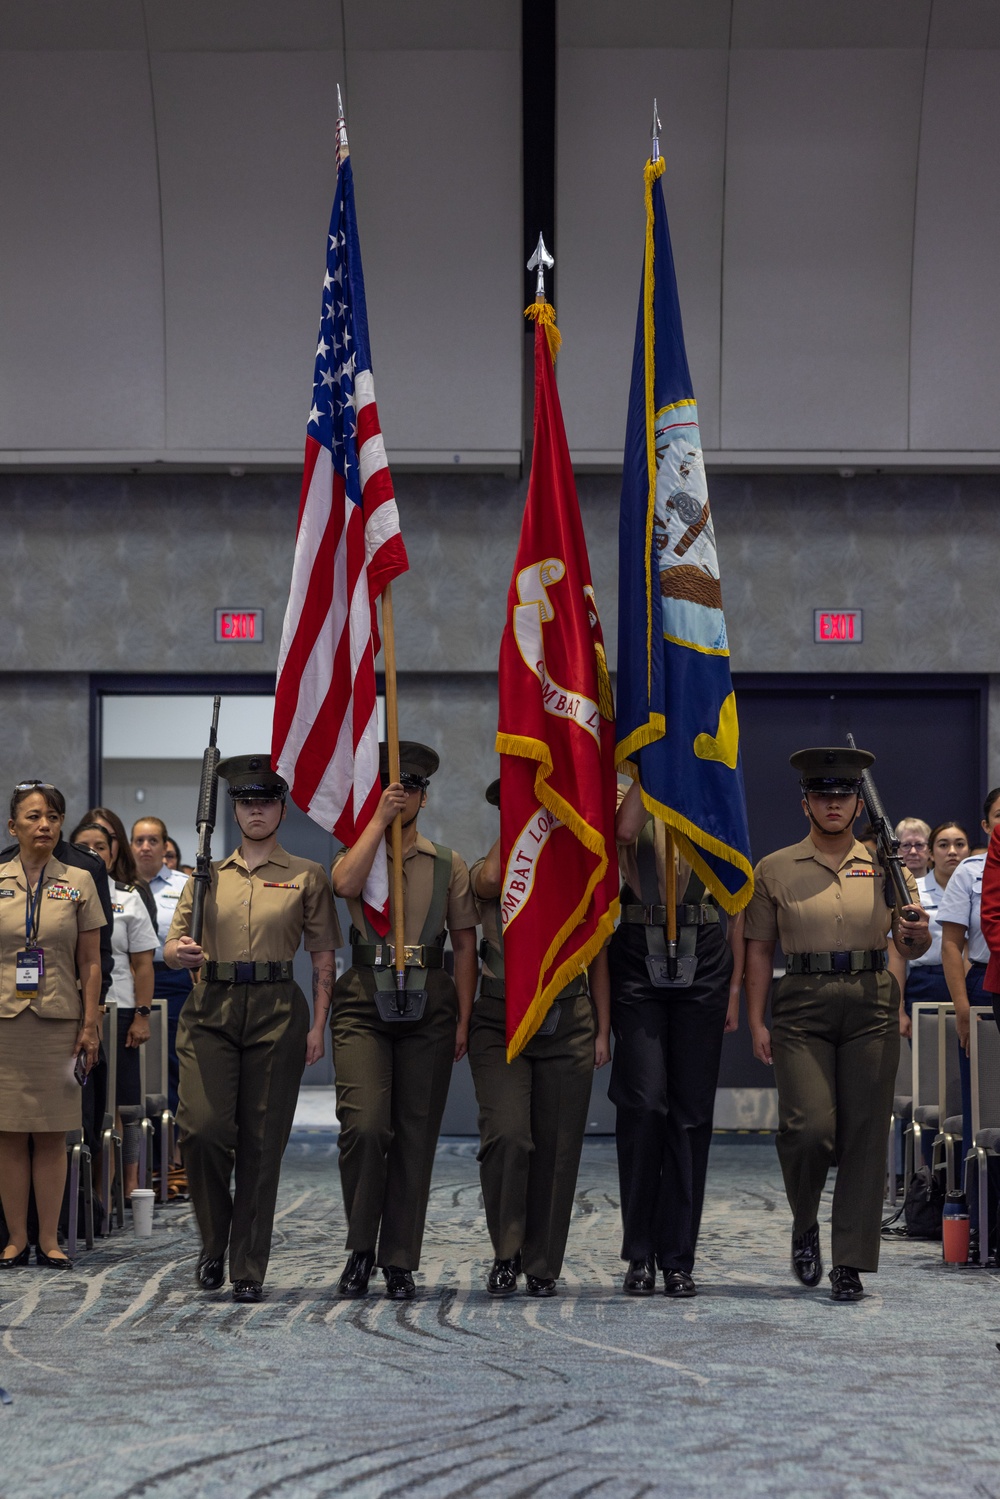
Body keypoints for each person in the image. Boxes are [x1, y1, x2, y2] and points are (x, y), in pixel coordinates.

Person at [744, 748, 929, 1303]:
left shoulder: (887, 863)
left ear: (856, 805)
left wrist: (914, 936)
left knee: (865, 1134)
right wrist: (755, 1018)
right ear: (805, 803)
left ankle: (849, 1260)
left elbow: (909, 942)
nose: (833, 804)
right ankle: (805, 1221)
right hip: (801, 1000)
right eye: (822, 795)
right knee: (808, 1130)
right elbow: (757, 951)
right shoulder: (775, 867)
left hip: (872, 999)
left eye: (843, 796)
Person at [164, 755, 340, 1303]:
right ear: (234, 811)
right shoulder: (205, 874)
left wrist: (319, 1026)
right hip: (211, 1005)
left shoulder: (306, 874)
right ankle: (214, 1242)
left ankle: (247, 1267)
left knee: (263, 1145)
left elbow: (324, 957)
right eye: (245, 801)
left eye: (265, 800)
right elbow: (172, 947)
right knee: (203, 1130)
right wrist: (180, 952)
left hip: (276, 1007)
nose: (255, 809)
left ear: (281, 808)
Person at [331, 741, 478, 1301]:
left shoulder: (448, 863)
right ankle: (360, 1246)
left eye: (412, 788)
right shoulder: (359, 851)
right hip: (365, 997)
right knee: (366, 1127)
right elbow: (344, 884)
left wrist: (464, 1016)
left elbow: (465, 944)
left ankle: (398, 1258)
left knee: (415, 1134)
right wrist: (379, 819)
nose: (404, 795)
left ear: (425, 796)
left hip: (430, 999)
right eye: (393, 786)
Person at [468, 778, 611, 1298]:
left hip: (568, 1015)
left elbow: (597, 956)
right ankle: (506, 1252)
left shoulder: (576, 872)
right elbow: (487, 879)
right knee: (508, 1135)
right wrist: (519, 822)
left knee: (557, 1148)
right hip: (501, 1016)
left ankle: (542, 1263)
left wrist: (602, 1026)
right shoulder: (491, 865)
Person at [609, 781, 743, 1299]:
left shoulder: (709, 770)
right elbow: (622, 830)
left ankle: (678, 1258)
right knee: (643, 1104)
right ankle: (639, 1252)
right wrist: (654, 766)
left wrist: (733, 990)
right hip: (637, 944)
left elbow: (738, 884)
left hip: (704, 946)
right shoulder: (625, 775)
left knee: (690, 1113)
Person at [0, 783, 104, 1267]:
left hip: (60, 1020)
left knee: (51, 1133)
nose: (44, 825)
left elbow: (91, 963)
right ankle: (16, 1238)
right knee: (7, 1132)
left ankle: (49, 1238)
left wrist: (91, 1024)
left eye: (53, 817)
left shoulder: (79, 879)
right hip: (4, 1021)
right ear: (13, 825)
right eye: (34, 816)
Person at [71, 819, 157, 1200]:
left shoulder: (127, 896)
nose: (93, 853)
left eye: (100, 846)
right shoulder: (61, 892)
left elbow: (143, 965)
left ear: (113, 852)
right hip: (71, 1010)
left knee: (120, 1106)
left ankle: (113, 1192)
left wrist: (141, 1014)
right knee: (77, 1106)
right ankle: (79, 1193)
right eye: (83, 846)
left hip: (119, 1009)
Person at [132, 816, 190, 1115]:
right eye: (139, 841)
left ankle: (173, 1148)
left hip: (172, 980)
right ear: (130, 846)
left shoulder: (183, 885)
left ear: (164, 845)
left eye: (153, 840)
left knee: (172, 1061)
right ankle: (139, 1150)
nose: (145, 847)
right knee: (134, 1063)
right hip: (127, 981)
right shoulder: (118, 887)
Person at [939, 789, 1000, 1055]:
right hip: (985, 979)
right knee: (983, 1085)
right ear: (986, 826)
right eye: (999, 815)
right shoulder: (969, 870)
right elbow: (951, 945)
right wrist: (962, 1007)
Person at [901, 822, 970, 1015]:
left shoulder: (981, 890)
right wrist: (898, 1009)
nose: (952, 852)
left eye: (959, 844)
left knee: (973, 1044)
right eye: (943, 845)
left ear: (969, 851)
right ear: (930, 853)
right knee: (929, 1045)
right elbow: (897, 955)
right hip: (927, 981)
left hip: (972, 979)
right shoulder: (914, 890)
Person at [81, 806, 158, 928]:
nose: (103, 843)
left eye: (112, 838)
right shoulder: (62, 882)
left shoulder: (137, 890)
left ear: (121, 843)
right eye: (95, 835)